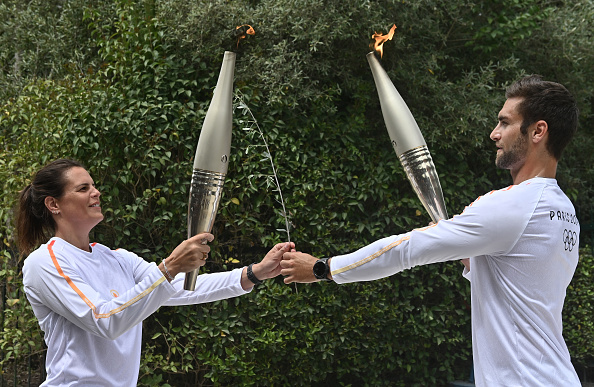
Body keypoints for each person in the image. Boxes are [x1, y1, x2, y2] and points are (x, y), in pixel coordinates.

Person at [280, 75, 581, 387]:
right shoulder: (563, 211)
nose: (494, 134)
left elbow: (405, 249)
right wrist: (464, 253)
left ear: (537, 131)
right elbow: (516, 279)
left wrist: (322, 268)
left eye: (505, 123)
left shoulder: (513, 205)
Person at [17, 158, 294, 386]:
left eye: (94, 185)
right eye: (83, 188)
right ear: (54, 205)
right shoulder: (44, 263)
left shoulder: (117, 258)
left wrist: (253, 273)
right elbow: (104, 320)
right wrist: (170, 267)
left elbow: (174, 290)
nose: (96, 192)